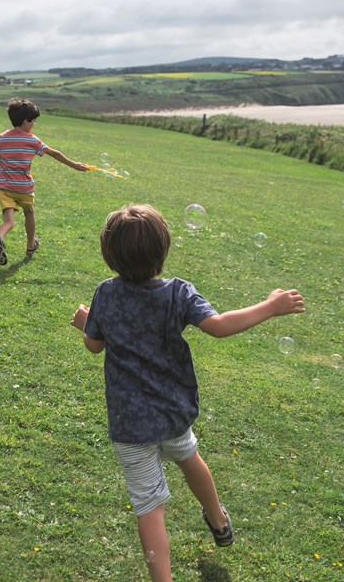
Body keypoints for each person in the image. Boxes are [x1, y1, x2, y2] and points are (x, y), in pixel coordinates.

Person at [70, 204, 305, 582]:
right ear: (163, 251)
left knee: (149, 507)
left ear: (109, 255)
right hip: (173, 411)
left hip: (130, 424)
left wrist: (86, 324)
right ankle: (218, 520)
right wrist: (270, 306)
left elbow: (94, 346)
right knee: (189, 458)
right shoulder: (178, 293)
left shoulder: (105, 294)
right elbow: (218, 326)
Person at [0, 98, 88, 265]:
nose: (34, 124)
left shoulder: (1, 139)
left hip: (3, 187)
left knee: (8, 221)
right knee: (29, 212)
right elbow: (54, 153)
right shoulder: (32, 140)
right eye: (33, 121)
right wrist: (74, 165)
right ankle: (30, 245)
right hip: (23, 188)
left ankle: (0, 237)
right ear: (26, 121)